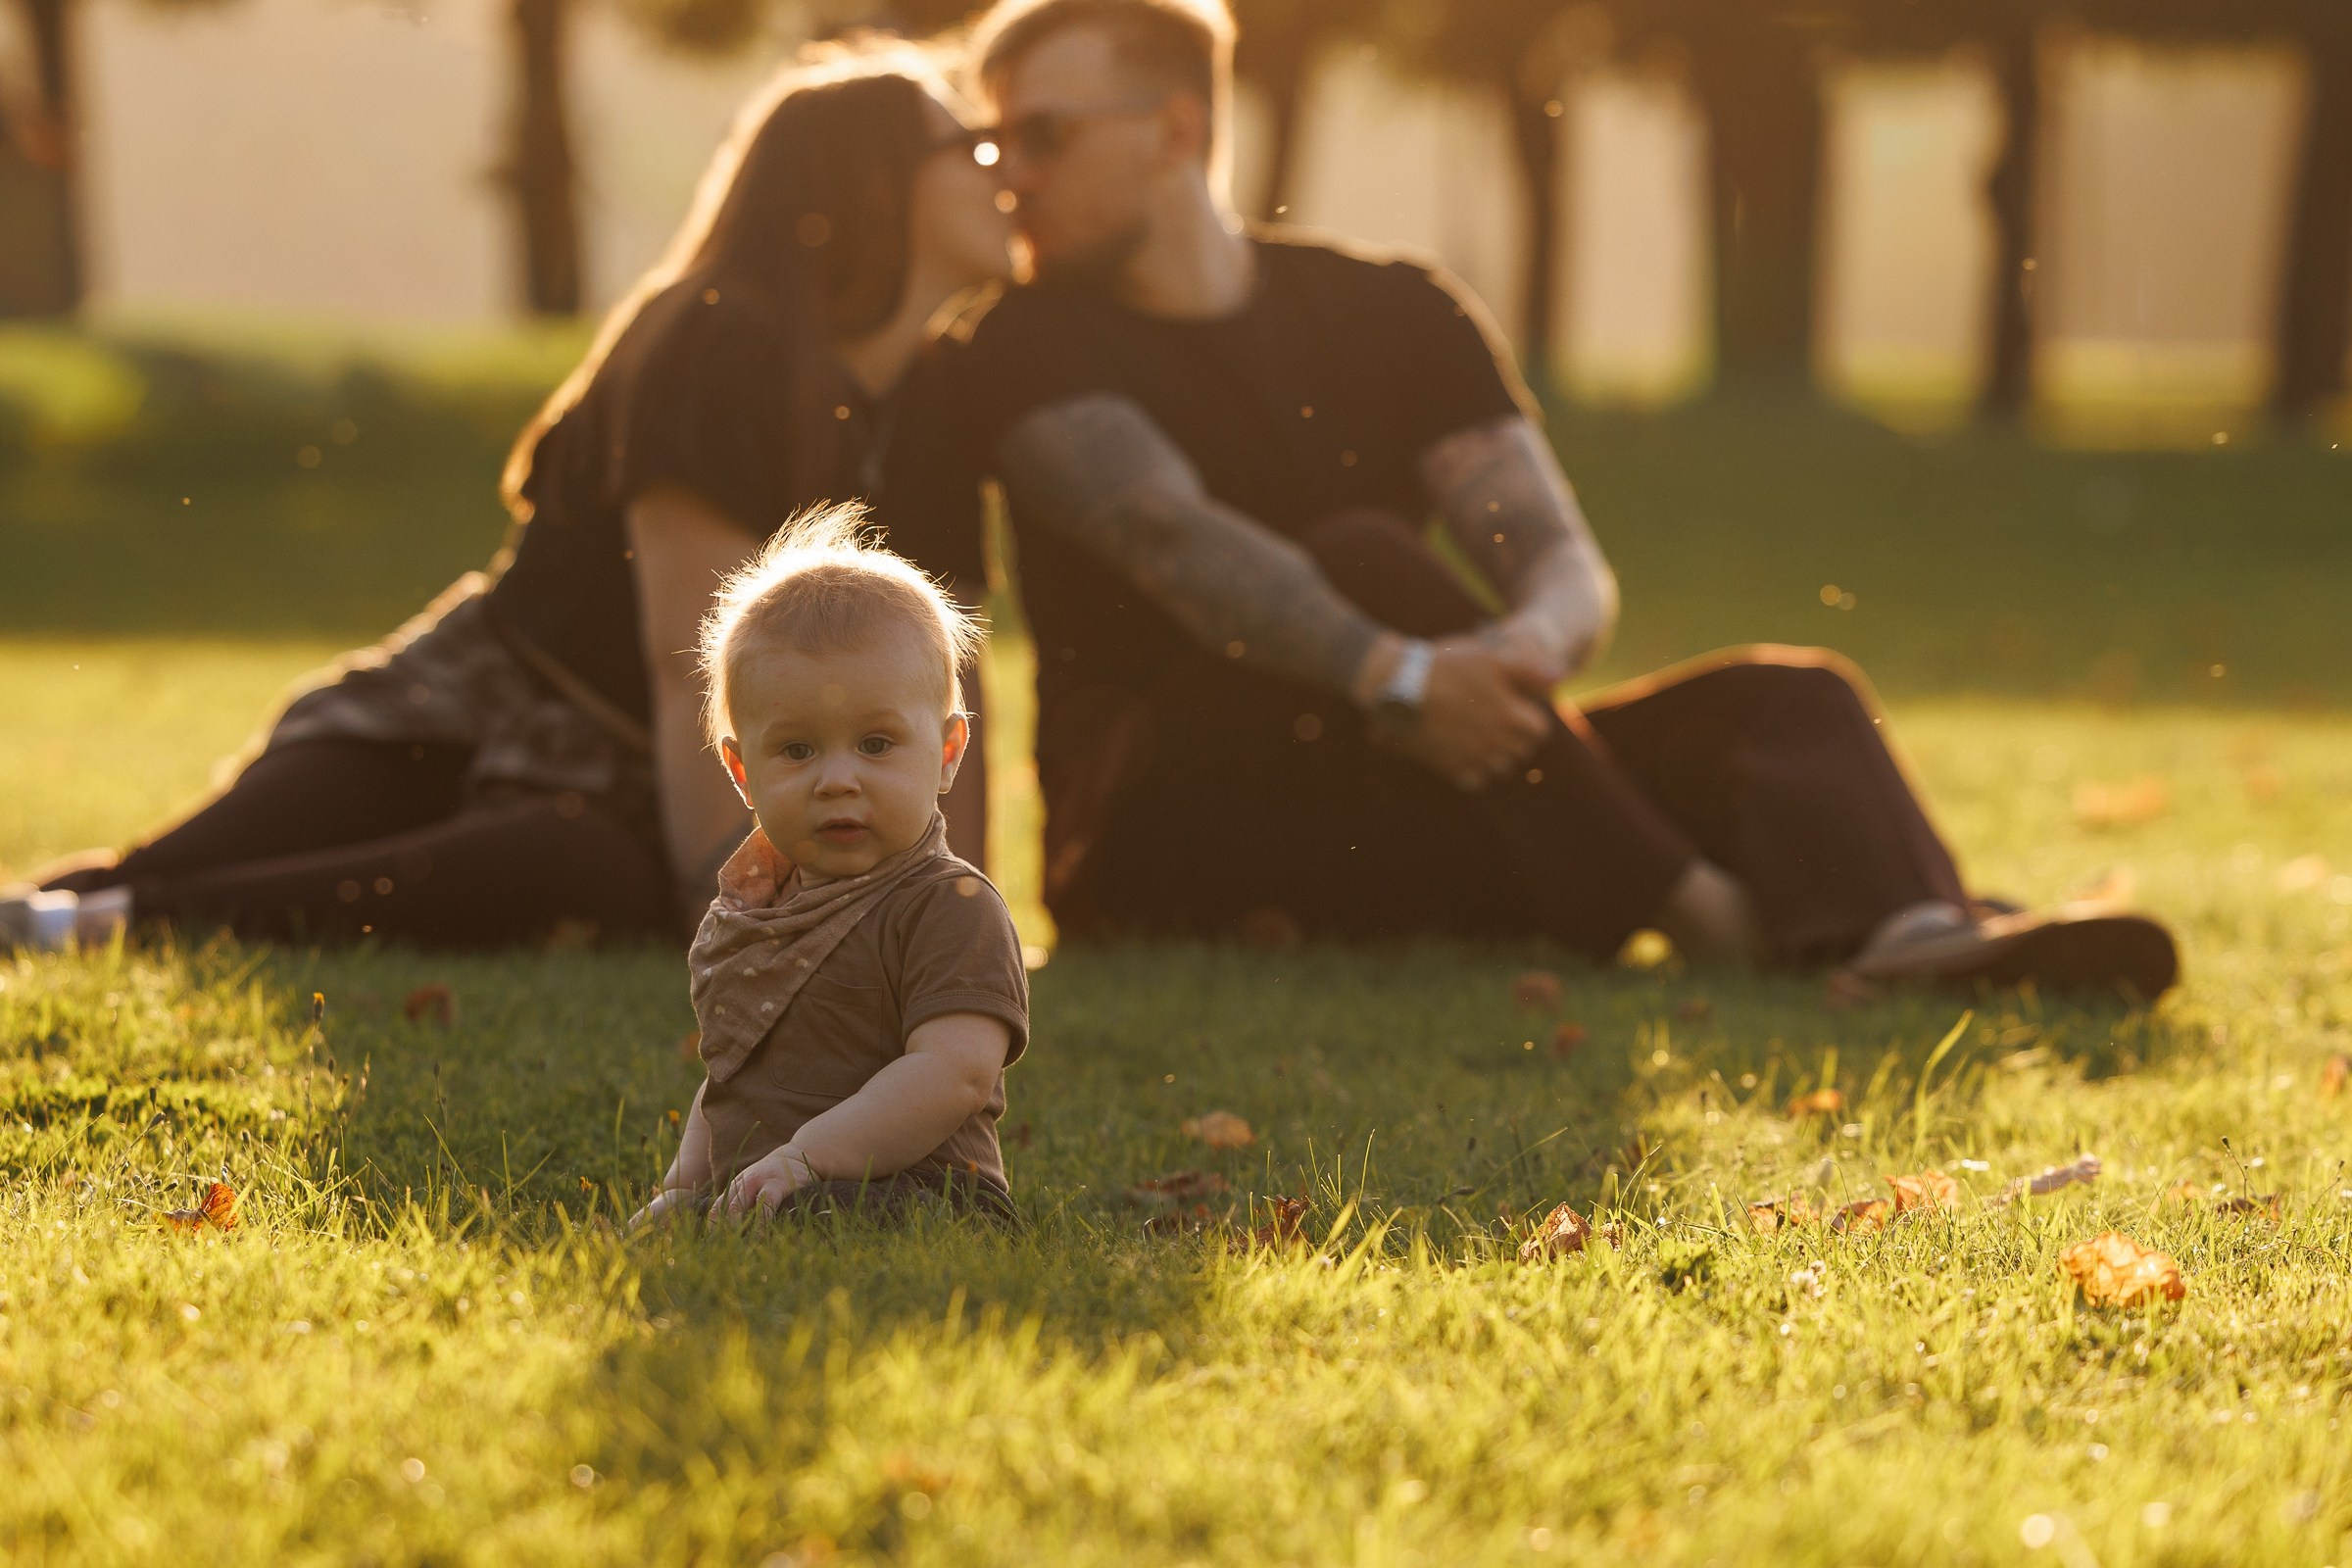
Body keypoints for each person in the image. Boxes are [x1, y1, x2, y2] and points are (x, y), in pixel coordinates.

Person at [943, 0, 2179, 996]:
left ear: (1175, 129)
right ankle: (1712, 916)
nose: (1010, 175)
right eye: (994, 144)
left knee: (1788, 701)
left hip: (1404, 792)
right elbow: (1169, 537)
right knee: (1368, 556)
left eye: (1043, 135)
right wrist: (1400, 674)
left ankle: (1913, 932)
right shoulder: (1021, 345)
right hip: (1172, 845)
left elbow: (1556, 557)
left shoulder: (1393, 311)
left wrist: (1522, 651)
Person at [2, 49, 1011, 954]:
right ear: (871, 182)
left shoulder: (937, 395)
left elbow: (952, 676)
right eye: (967, 147)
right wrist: (735, 915)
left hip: (621, 796)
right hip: (458, 725)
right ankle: (86, 921)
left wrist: (963, 914)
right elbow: (687, 660)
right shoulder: (723, 348)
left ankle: (94, 919)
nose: (999, 170)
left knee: (582, 868)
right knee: (172, 867)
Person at [634, 509, 1026, 1227]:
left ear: (946, 753)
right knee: (734, 1219)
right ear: (742, 771)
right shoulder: (753, 909)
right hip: (780, 1182)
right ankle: (727, 1208)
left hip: (926, 1190)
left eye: (875, 744)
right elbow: (733, 1065)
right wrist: (686, 1184)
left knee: (810, 1216)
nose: (837, 780)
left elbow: (956, 1074)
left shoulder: (949, 906)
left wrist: (806, 1159)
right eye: (797, 750)